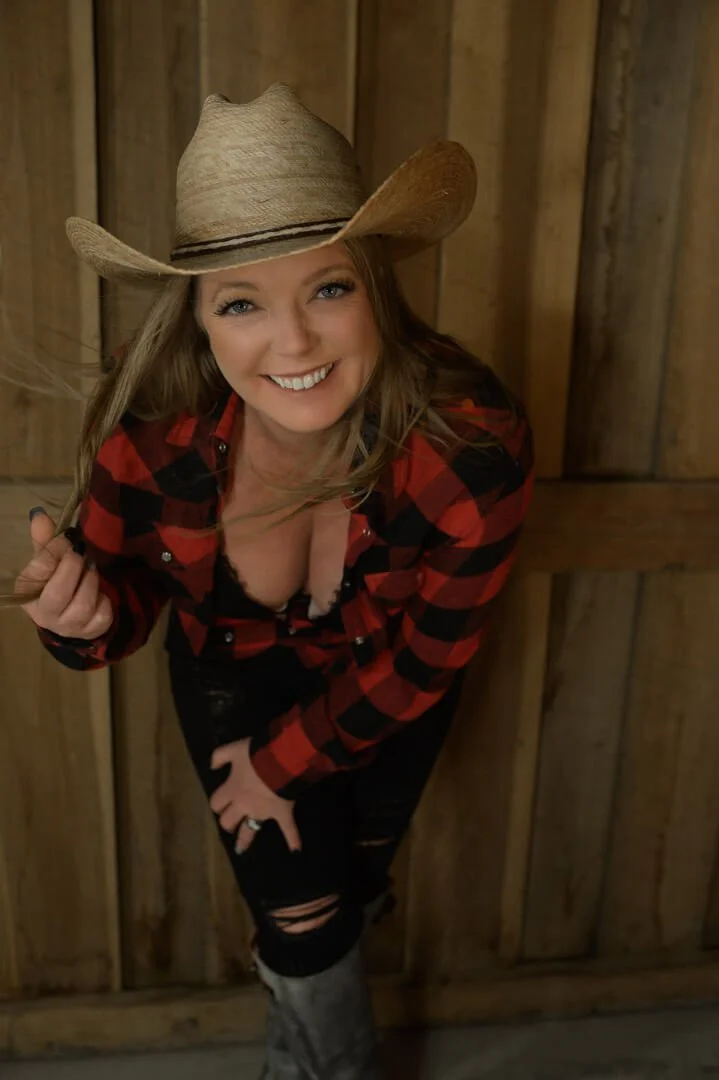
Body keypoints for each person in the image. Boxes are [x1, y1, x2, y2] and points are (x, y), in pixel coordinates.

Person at [14, 85, 534, 1079]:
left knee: (347, 889)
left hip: (390, 687)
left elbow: (424, 661)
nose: (291, 344)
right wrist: (74, 618)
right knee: (300, 918)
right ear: (199, 316)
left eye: (327, 289)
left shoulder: (470, 441)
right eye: (243, 302)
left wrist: (282, 763)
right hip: (227, 674)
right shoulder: (154, 422)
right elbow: (115, 612)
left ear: (374, 287)